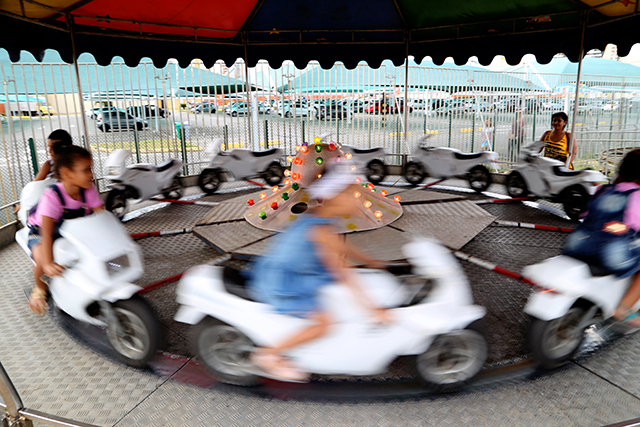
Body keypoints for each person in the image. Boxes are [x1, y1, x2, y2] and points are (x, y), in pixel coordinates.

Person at [248, 168, 391, 381]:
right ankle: (269, 354)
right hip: (286, 283)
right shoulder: (321, 229)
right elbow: (342, 272)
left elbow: (343, 247)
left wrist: (371, 261)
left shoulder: (318, 217)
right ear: (333, 198)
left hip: (287, 271)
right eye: (350, 195)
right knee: (324, 324)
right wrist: (373, 308)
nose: (356, 200)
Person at [562, 149, 640, 329]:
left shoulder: (603, 189)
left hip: (578, 245)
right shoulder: (636, 196)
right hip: (611, 253)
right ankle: (624, 308)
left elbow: (584, 215)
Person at [27, 142, 104, 314]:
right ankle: (39, 289)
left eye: (90, 169)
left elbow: (103, 218)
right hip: (40, 233)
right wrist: (48, 263)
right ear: (67, 173)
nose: (91, 174)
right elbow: (46, 233)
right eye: (86, 170)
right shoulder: (52, 196)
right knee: (42, 259)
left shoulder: (88, 190)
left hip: (72, 231)